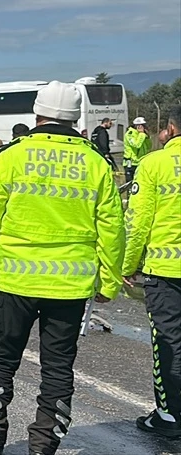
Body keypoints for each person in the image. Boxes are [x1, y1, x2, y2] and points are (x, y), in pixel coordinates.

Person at [0, 81, 125, 455]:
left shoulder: (9, 157)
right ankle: (43, 446)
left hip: (16, 280)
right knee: (57, 368)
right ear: (75, 119)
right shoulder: (96, 163)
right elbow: (113, 229)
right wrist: (109, 281)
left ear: (37, 114)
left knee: (2, 359)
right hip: (70, 288)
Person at [121, 105, 181, 439]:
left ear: (170, 129)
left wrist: (128, 266)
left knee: (169, 342)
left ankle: (170, 416)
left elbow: (138, 221)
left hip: (167, 270)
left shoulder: (154, 163)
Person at [124, 116, 151, 181]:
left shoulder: (142, 135)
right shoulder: (130, 134)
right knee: (131, 183)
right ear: (138, 126)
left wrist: (147, 137)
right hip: (131, 163)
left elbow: (149, 146)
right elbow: (136, 145)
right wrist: (141, 134)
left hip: (141, 161)